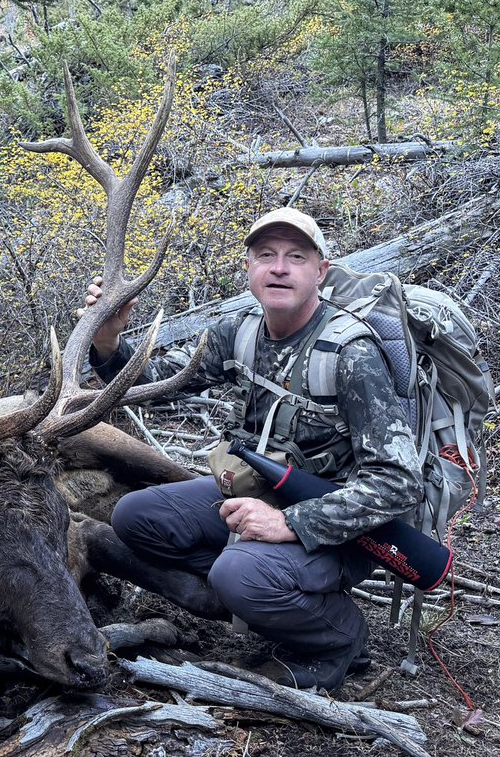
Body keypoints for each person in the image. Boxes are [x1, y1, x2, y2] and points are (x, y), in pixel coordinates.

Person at [86, 206, 422, 692]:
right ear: (248, 268)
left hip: (345, 527)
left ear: (320, 271)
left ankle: (339, 638)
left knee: (239, 573)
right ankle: (258, 592)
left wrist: (289, 524)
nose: (279, 267)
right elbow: (153, 383)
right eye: (266, 255)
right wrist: (108, 337)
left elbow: (397, 484)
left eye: (296, 256)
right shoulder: (239, 331)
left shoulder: (351, 354)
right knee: (135, 517)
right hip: (263, 493)